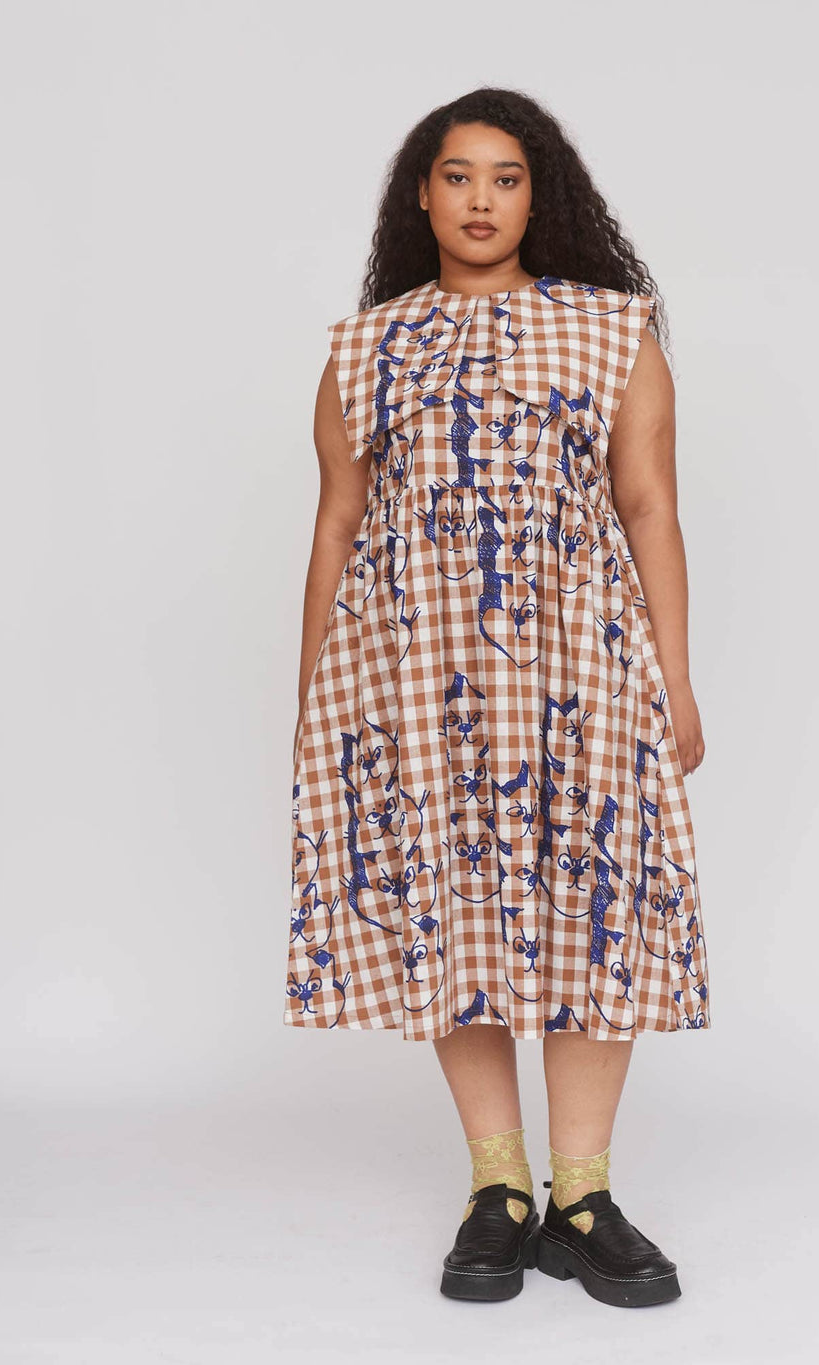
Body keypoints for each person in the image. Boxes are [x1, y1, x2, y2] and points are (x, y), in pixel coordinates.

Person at [283, 87, 711, 1309]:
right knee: (450, 908)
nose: (481, 200)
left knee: (596, 905)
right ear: (421, 195)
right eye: (459, 176)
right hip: (412, 677)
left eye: (506, 178)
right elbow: (337, 524)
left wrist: (675, 679)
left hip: (583, 663)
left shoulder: (611, 330)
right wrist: (317, 697)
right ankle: (499, 1190)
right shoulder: (364, 348)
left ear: (539, 197)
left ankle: (584, 1199)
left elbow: (648, 507)